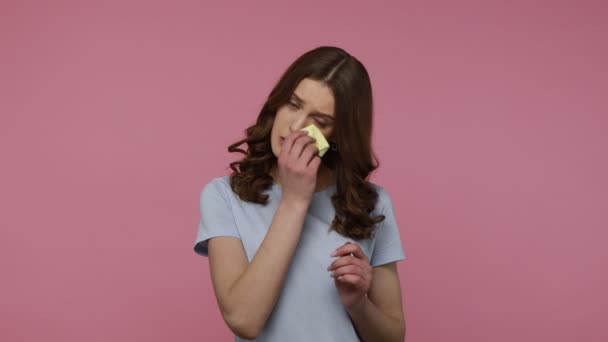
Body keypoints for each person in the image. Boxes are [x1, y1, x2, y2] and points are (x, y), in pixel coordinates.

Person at [194, 46, 407, 341]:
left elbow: (393, 337)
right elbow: (243, 319)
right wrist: (294, 200)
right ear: (277, 102)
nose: (295, 125)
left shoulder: (372, 203)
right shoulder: (223, 197)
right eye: (293, 104)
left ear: (337, 136)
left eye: (319, 122)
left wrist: (359, 304)